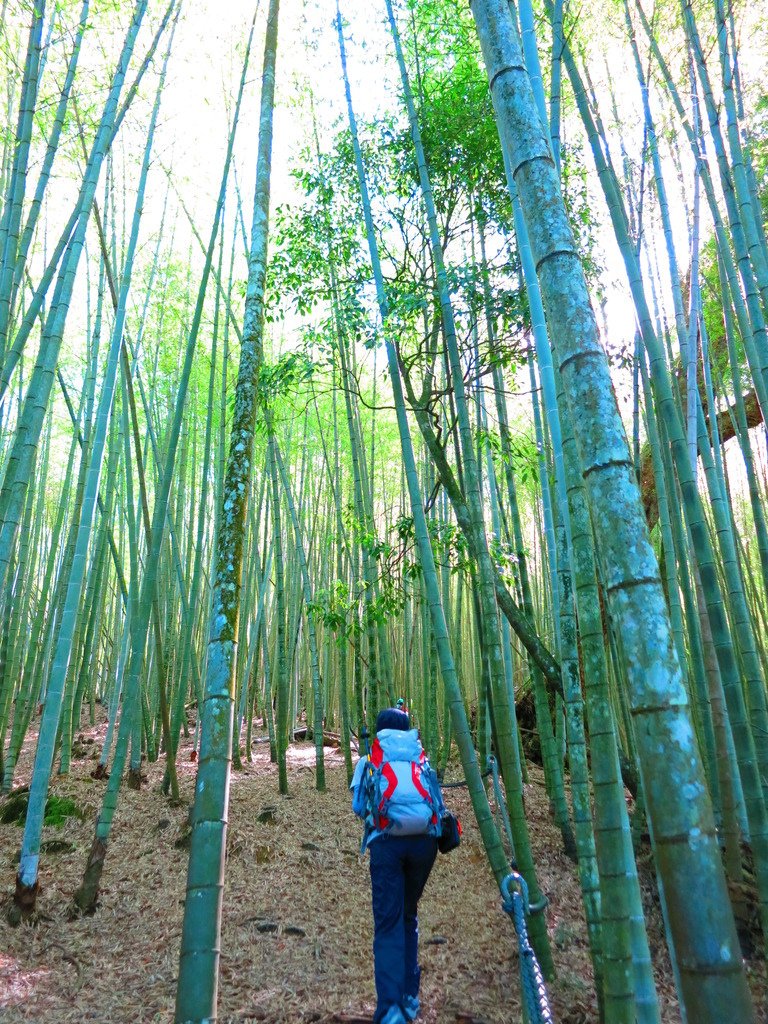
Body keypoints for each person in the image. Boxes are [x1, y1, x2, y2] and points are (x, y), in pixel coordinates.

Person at [350, 706, 442, 1024]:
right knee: (408, 916)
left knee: (388, 923)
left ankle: (390, 1009)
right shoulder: (420, 759)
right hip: (425, 844)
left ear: (379, 730)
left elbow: (359, 807)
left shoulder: (371, 759)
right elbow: (436, 804)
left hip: (387, 844)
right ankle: (409, 998)